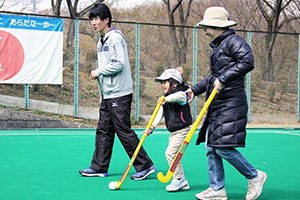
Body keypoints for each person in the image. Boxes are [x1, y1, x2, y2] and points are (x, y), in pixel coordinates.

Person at [185, 7, 267, 200]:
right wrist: (194, 90)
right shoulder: (219, 46)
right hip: (219, 103)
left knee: (222, 147)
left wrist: (223, 79)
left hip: (232, 103)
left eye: (206, 26)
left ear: (216, 26)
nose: (204, 30)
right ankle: (217, 189)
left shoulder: (234, 41)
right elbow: (214, 77)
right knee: (211, 146)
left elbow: (248, 62)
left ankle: (255, 176)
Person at [79, 2, 156, 180]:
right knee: (103, 130)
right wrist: (101, 93)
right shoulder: (100, 40)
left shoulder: (115, 38)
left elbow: (119, 64)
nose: (93, 22)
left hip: (120, 93)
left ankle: (145, 165)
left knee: (123, 129)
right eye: (91, 19)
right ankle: (99, 167)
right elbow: (105, 66)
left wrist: (98, 72)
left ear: (106, 19)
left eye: (96, 19)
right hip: (108, 94)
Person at [144, 68, 192, 192]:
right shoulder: (166, 97)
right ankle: (182, 181)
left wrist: (166, 99)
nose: (162, 85)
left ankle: (179, 179)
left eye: (165, 82)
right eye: (161, 83)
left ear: (174, 84)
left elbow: (178, 96)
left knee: (170, 153)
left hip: (183, 130)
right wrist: (152, 127)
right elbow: (160, 113)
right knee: (173, 155)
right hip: (173, 132)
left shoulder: (181, 94)